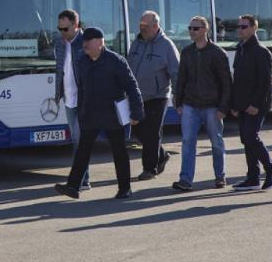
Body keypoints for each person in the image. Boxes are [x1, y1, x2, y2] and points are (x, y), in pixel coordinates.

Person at [55, 27, 144, 200]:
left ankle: (125, 188)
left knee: (119, 151)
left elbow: (131, 86)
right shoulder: (83, 62)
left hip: (112, 114)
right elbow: (82, 89)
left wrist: (136, 112)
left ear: (99, 42)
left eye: (88, 42)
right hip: (90, 113)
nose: (84, 46)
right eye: (84, 43)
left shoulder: (115, 61)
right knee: (83, 150)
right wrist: (81, 112)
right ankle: (73, 186)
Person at [172, 16, 231, 191]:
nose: (191, 31)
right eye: (190, 28)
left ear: (205, 30)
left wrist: (223, 107)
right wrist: (178, 100)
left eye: (195, 28)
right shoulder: (187, 52)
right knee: (188, 141)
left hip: (212, 106)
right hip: (190, 104)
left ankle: (220, 176)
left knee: (216, 142)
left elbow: (226, 82)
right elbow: (181, 78)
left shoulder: (218, 53)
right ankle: (185, 180)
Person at [128, 11, 180, 180]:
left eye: (146, 26)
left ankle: (149, 169)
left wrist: (178, 95)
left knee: (152, 132)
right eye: (140, 26)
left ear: (156, 26)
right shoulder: (137, 43)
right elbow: (128, 66)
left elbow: (176, 72)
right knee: (137, 129)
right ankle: (162, 155)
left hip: (158, 95)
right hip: (137, 96)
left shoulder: (166, 45)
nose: (142, 29)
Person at [230, 15, 272, 191]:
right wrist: (235, 104)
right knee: (246, 138)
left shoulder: (261, 51)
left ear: (253, 28)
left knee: (251, 136)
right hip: (243, 103)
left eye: (243, 26)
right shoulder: (241, 49)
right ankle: (253, 177)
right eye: (238, 26)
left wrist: (256, 104)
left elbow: (266, 82)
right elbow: (237, 79)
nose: (239, 29)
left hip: (257, 104)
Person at [54, 9, 89, 190]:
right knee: (77, 141)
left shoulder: (86, 42)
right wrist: (57, 94)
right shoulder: (61, 43)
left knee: (80, 141)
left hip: (84, 100)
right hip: (68, 99)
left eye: (65, 29)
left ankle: (79, 181)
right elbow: (60, 69)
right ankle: (82, 180)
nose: (62, 33)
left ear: (76, 25)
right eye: (59, 29)